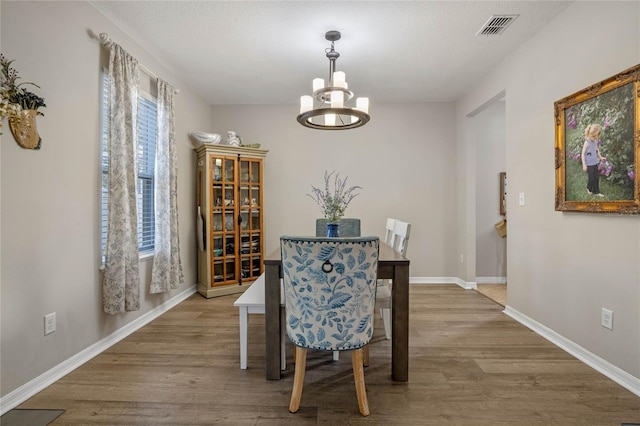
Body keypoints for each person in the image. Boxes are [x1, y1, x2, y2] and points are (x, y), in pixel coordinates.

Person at [581, 123, 606, 197]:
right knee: (591, 178)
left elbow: (597, 150)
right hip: (589, 164)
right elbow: (582, 154)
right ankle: (589, 188)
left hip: (595, 163)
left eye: (596, 137)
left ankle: (596, 191)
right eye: (594, 137)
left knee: (596, 178)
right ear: (590, 134)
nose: (595, 139)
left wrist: (601, 157)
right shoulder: (587, 143)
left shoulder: (594, 142)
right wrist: (584, 164)